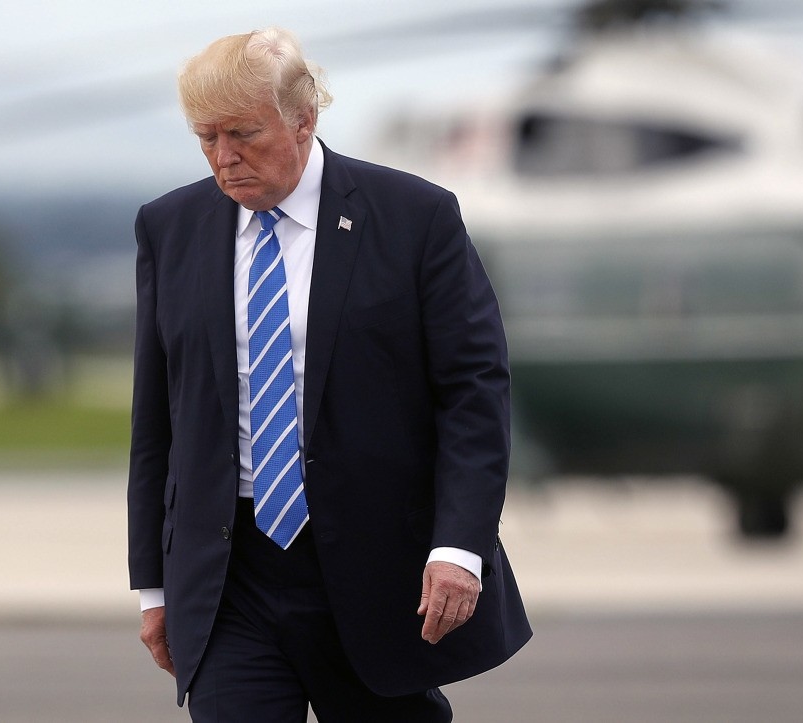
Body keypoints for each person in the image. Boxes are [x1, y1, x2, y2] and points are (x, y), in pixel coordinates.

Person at [127, 26, 532, 722]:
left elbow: (473, 391)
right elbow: (157, 416)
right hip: (232, 576)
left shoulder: (414, 217)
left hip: (375, 567)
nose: (224, 158)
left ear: (303, 118)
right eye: (206, 137)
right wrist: (153, 588)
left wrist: (460, 546)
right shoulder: (171, 227)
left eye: (244, 134)